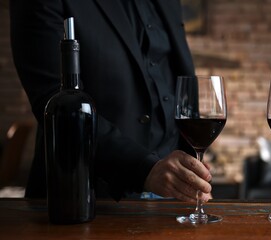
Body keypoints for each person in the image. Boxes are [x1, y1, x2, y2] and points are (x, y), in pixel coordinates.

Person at [9, 0, 212, 202]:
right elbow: (57, 103)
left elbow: (175, 81)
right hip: (87, 198)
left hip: (174, 198)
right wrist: (145, 169)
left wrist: (193, 171)